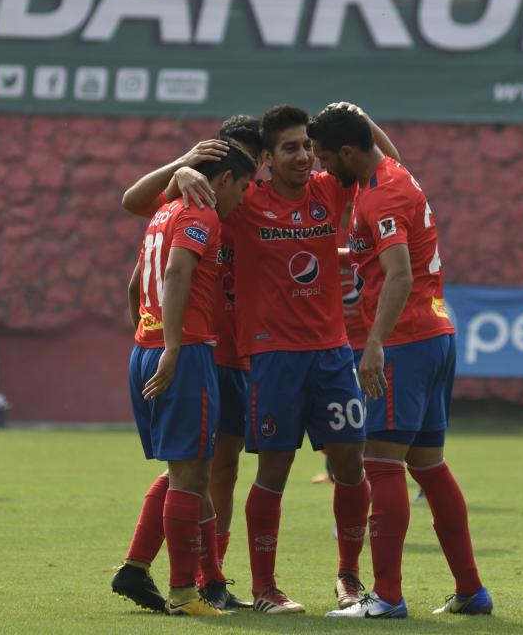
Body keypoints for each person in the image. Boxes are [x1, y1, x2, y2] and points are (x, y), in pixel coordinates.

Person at [167, 104, 399, 614]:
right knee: (273, 469)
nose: (302, 156)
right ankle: (265, 589)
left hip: (334, 355)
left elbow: (384, 161)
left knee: (349, 464)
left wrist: (358, 117)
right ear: (266, 158)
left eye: (308, 147)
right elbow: (146, 205)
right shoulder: (243, 201)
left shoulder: (329, 189)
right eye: (290, 148)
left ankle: (349, 579)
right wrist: (182, 167)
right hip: (271, 358)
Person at [308, 104, 492, 618]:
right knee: (429, 467)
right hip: (436, 336)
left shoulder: (381, 195)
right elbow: (379, 146)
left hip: (406, 342)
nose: (321, 168)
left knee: (381, 463)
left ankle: (386, 598)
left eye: (324, 157)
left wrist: (373, 345)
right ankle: (472, 591)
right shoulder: (393, 172)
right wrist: (359, 114)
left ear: (347, 152)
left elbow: (400, 276)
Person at [112, 141, 256, 617]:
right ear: (223, 181)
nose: (245, 196)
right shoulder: (203, 215)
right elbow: (176, 272)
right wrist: (174, 346)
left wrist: (150, 337)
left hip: (145, 346)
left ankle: (180, 580)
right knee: (193, 476)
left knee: (184, 472)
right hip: (186, 350)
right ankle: (183, 592)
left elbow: (137, 285)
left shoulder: (164, 212)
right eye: (243, 185)